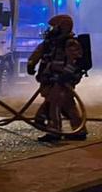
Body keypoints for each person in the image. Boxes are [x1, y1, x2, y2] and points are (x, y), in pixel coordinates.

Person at [27, 14, 86, 143]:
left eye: (54, 27)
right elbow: (38, 52)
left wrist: (65, 76)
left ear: (63, 27)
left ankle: (54, 132)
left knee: (53, 104)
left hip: (63, 80)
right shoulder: (51, 42)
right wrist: (31, 64)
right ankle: (79, 131)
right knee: (68, 104)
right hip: (52, 79)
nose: (52, 30)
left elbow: (75, 61)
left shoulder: (70, 43)